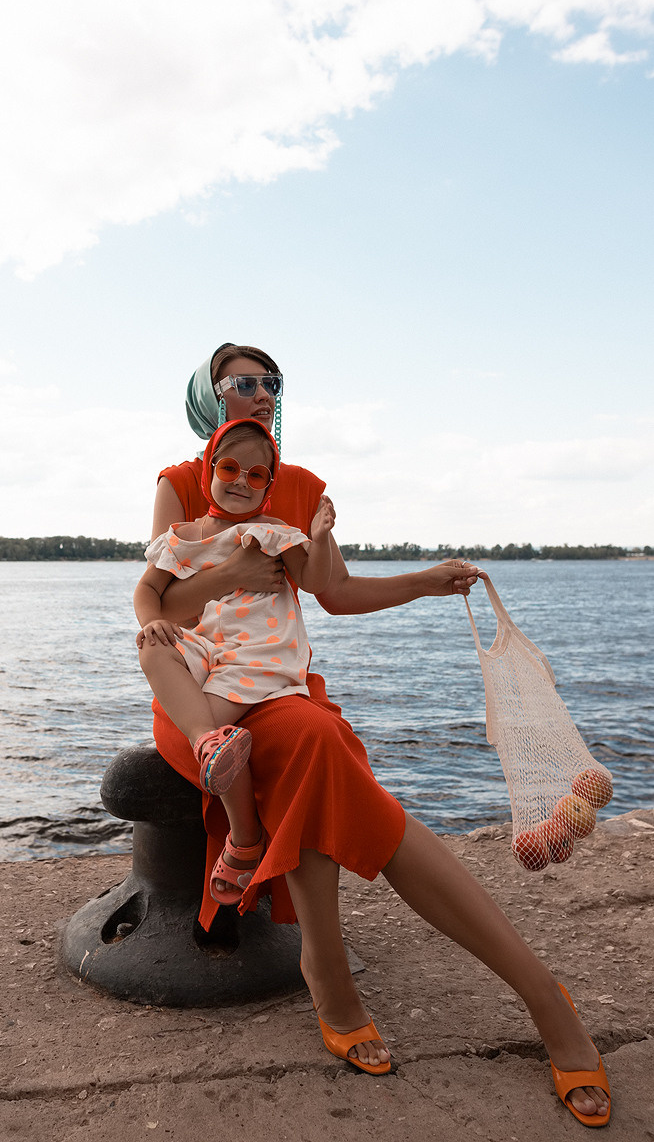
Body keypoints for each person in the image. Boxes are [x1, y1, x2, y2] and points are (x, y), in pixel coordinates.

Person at [144, 342, 611, 1125]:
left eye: (271, 384)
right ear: (210, 397)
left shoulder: (299, 487)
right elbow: (160, 606)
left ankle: (340, 969)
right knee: (323, 764)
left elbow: (334, 592)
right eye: (242, 384)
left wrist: (428, 581)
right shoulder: (181, 483)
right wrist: (232, 575)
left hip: (279, 687)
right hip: (199, 695)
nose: (260, 394)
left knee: (314, 747)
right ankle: (532, 992)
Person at [135, 417, 336, 906]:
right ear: (209, 471)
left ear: (268, 486)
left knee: (219, 732)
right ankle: (209, 742)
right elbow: (148, 590)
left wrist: (322, 536)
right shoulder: (184, 538)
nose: (241, 482)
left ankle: (245, 838)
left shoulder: (273, 533)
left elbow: (316, 581)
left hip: (259, 655)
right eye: (230, 468)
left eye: (257, 475)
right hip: (208, 648)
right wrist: (150, 622)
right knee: (154, 648)